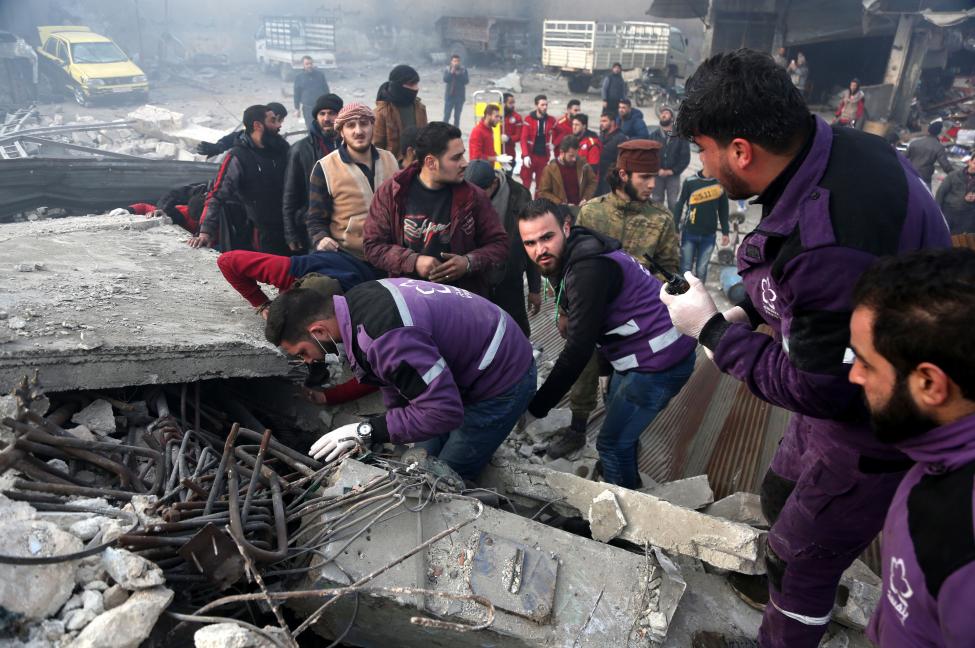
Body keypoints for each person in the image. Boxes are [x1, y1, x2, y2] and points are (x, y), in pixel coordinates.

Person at [659, 48, 950, 648]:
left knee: (798, 561)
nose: (704, 166)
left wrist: (711, 332)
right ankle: (789, 569)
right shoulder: (842, 148)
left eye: (704, 151)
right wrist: (750, 308)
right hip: (851, 369)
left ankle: (793, 611)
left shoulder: (828, 242)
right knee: (779, 492)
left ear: (741, 151)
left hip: (870, 423)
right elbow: (803, 286)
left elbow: (816, 386)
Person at [265, 276, 536, 481]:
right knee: (419, 455)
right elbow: (392, 378)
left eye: (303, 352)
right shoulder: (355, 304)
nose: (307, 361)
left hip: (503, 375)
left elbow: (445, 413)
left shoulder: (386, 337)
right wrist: (394, 425)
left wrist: (367, 430)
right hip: (477, 351)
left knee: (444, 475)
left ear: (318, 331)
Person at [846, 249, 975, 648]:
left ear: (930, 384)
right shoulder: (937, 444)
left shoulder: (962, 542)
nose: (854, 375)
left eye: (866, 363)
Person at [519, 198, 696, 487]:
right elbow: (606, 322)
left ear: (566, 227)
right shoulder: (576, 252)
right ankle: (626, 475)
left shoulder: (587, 269)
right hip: (640, 356)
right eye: (530, 243)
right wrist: (606, 370)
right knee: (621, 433)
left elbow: (578, 349)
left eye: (547, 237)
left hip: (659, 363)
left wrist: (534, 410)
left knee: (611, 445)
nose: (540, 250)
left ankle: (624, 506)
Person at [548, 140, 681, 459]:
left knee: (627, 380)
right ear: (623, 175)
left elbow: (670, 269)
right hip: (591, 313)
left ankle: (620, 435)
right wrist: (564, 310)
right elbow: (569, 264)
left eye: (654, 177)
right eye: (645, 177)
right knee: (583, 370)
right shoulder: (591, 212)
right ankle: (577, 429)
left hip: (636, 323)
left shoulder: (661, 219)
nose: (653, 184)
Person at [363, 121, 509, 298]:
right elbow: (373, 246)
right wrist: (413, 261)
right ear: (431, 162)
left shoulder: (474, 197)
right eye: (456, 158)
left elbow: (499, 244)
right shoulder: (392, 193)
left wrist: (468, 263)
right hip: (409, 299)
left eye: (463, 155)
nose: (465, 163)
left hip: (462, 300)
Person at [305, 103, 399, 269]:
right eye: (350, 125)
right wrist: (321, 238)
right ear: (341, 131)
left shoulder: (390, 159)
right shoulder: (325, 167)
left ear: (372, 126)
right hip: (350, 257)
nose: (358, 131)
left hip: (391, 254)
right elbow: (315, 218)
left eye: (364, 123)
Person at [191, 105, 290, 254]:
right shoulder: (238, 157)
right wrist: (205, 231)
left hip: (292, 229)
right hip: (263, 233)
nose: (278, 125)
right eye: (273, 121)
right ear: (257, 125)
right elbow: (217, 195)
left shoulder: (283, 149)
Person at [465, 159, 541, 336]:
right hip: (477, 281)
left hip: (510, 279)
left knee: (515, 332)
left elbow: (531, 243)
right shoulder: (463, 195)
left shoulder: (520, 197)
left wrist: (535, 288)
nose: (475, 197)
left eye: (480, 192)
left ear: (494, 183)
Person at [282, 93, 343, 253]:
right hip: (314, 227)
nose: (326, 118)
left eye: (332, 113)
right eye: (322, 113)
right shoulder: (300, 149)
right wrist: (290, 233)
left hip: (346, 224)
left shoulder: (350, 146)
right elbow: (290, 194)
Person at [673, 170, 730, 280]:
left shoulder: (721, 184)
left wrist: (725, 232)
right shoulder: (690, 181)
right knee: (685, 268)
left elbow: (724, 209)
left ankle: (699, 291)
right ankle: (684, 290)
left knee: (701, 270)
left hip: (709, 236)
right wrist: (675, 228)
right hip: (689, 233)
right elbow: (679, 204)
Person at [374, 64, 428, 162]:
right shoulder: (382, 112)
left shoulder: (420, 108)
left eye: (416, 84)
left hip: (417, 164)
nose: (416, 88)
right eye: (411, 84)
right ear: (397, 86)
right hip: (393, 166)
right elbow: (376, 148)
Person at [196, 103, 288, 158]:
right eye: (276, 120)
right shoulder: (246, 140)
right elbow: (237, 136)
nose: (279, 125)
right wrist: (219, 146)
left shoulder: (281, 145)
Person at [649, 106, 690, 214]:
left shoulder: (680, 136)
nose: (663, 115)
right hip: (657, 175)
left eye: (666, 113)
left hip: (673, 175)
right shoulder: (653, 136)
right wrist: (657, 170)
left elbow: (685, 158)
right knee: (656, 202)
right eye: (662, 113)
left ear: (672, 118)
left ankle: (674, 223)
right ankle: (658, 223)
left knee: (673, 203)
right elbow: (649, 156)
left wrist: (672, 171)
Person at [536, 136, 597, 208]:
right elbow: (543, 192)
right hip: (560, 211)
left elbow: (592, 182)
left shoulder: (583, 164)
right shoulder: (549, 169)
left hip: (580, 209)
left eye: (576, 155)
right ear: (562, 152)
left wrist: (585, 198)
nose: (574, 159)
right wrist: (562, 204)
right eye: (571, 156)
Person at [520, 95, 556, 193]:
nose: (545, 107)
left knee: (541, 185)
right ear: (536, 105)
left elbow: (561, 131)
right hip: (531, 156)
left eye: (546, 105)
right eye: (542, 105)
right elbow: (523, 139)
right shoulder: (528, 119)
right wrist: (525, 155)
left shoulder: (551, 120)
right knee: (526, 183)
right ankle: (525, 202)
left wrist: (554, 144)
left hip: (543, 157)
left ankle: (538, 202)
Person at [935, 155, 975, 235]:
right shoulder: (954, 175)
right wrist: (937, 212)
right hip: (949, 212)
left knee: (959, 240)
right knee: (943, 236)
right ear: (970, 162)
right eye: (974, 163)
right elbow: (940, 193)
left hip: (967, 216)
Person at [906, 120, 953, 188]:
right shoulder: (938, 146)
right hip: (924, 177)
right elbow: (945, 166)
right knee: (925, 194)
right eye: (944, 132)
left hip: (910, 174)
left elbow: (903, 157)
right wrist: (956, 174)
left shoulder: (915, 142)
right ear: (940, 132)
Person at [597, 110, 627, 196]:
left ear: (613, 122)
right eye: (601, 121)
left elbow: (623, 159)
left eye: (604, 121)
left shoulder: (621, 138)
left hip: (612, 178)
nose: (601, 124)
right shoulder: (601, 136)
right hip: (600, 175)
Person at [294, 56, 330, 129]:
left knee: (323, 127)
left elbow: (326, 90)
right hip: (308, 108)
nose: (309, 66)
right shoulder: (299, 77)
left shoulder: (320, 75)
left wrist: (329, 104)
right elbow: (296, 94)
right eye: (307, 64)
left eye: (311, 63)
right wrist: (297, 109)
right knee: (311, 128)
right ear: (303, 65)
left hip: (321, 107)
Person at [442, 54, 468, 127]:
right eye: (454, 61)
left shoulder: (463, 70)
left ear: (459, 62)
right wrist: (451, 72)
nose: (456, 63)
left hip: (459, 97)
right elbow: (445, 79)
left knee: (457, 117)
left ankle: (456, 131)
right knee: (446, 115)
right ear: (451, 62)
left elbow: (466, 81)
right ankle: (443, 130)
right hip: (449, 96)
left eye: (457, 61)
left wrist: (459, 74)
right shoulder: (447, 69)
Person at [502, 92, 523, 167]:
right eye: (510, 103)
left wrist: (508, 138)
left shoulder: (517, 117)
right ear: (503, 104)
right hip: (494, 154)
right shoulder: (495, 116)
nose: (513, 105)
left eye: (513, 103)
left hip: (509, 153)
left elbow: (519, 136)